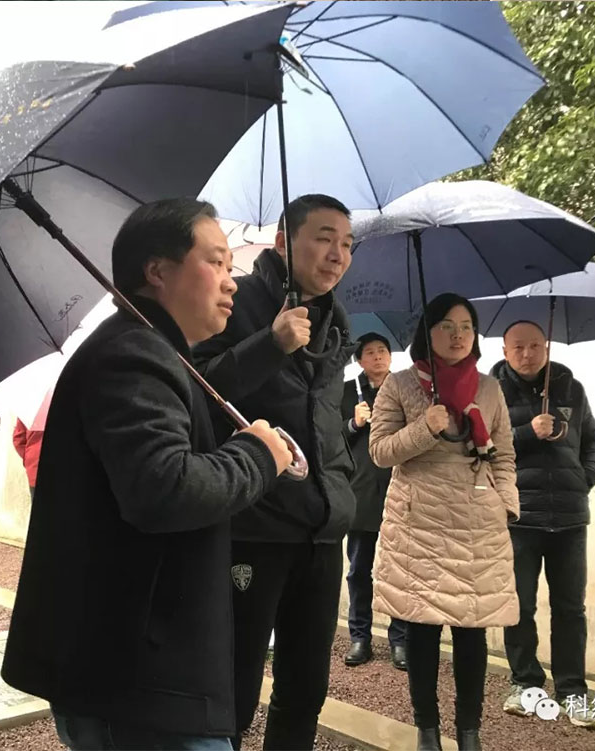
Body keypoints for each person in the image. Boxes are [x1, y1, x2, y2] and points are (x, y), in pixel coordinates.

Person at [1, 198, 292, 750]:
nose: (231, 281)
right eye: (216, 262)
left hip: (144, 676)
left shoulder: (153, 352)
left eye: (231, 265)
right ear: (157, 270)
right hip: (141, 685)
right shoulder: (133, 355)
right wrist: (257, 457)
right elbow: (166, 490)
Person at [193, 194, 356, 749]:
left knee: (306, 686)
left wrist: (340, 485)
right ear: (284, 241)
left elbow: (323, 415)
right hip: (254, 524)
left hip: (322, 527)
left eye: (347, 244)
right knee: (234, 682)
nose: (337, 254)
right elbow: (198, 393)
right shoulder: (234, 301)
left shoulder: (335, 321)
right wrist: (271, 344)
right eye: (324, 238)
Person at [369, 293, 519, 751]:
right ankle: (427, 731)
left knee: (473, 632)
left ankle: (469, 732)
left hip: (478, 523)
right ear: (427, 332)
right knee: (422, 630)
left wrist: (506, 503)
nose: (458, 336)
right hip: (420, 523)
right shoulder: (399, 385)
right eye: (447, 327)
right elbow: (380, 452)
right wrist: (425, 427)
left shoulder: (489, 389)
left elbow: (504, 455)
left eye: (466, 327)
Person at [491, 321, 595, 729]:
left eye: (535, 346)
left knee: (570, 608)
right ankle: (525, 684)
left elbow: (594, 439)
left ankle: (573, 691)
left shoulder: (571, 389)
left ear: (547, 347)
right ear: (505, 351)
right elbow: (482, 447)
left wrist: (585, 477)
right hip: (520, 517)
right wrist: (528, 432)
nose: (527, 354)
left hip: (570, 518)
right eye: (518, 347)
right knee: (519, 606)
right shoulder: (491, 393)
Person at [341, 333, 408, 670]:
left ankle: (400, 640)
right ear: (359, 360)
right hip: (361, 490)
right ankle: (359, 637)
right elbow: (332, 437)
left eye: (383, 351)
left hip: (400, 488)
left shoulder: (405, 389)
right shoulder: (346, 392)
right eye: (370, 352)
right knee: (358, 570)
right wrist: (353, 423)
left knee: (399, 570)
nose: (378, 356)